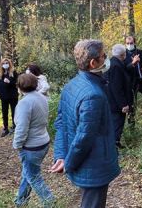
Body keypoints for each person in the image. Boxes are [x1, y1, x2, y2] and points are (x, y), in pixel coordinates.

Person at [50, 39, 120, 208]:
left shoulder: (71, 85)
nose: (107, 58)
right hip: (94, 166)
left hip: (87, 163)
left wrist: (61, 156)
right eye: (104, 56)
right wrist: (68, 162)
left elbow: (61, 123)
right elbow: (84, 137)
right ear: (93, 62)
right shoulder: (93, 95)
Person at [12, 73, 55, 207]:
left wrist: (17, 145)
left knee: (33, 177)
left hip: (32, 147)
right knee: (28, 173)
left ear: (19, 87)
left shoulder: (25, 103)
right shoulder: (41, 97)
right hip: (43, 142)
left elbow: (22, 128)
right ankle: (21, 201)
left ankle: (50, 202)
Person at [106, 44, 133, 149]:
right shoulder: (116, 66)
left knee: (117, 123)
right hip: (116, 103)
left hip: (112, 100)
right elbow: (117, 87)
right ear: (123, 54)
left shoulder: (112, 63)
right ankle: (114, 145)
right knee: (117, 123)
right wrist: (123, 104)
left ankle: (115, 142)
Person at [0, 58, 19, 137]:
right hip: (4, 97)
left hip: (13, 96)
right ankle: (5, 128)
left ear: (9, 64)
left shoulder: (13, 72)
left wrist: (10, 82)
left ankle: (15, 126)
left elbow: (17, 83)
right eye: (4, 63)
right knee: (4, 112)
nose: (5, 64)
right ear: (1, 65)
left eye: (7, 63)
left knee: (14, 112)